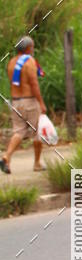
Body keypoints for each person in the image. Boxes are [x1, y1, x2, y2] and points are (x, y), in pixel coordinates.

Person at [1, 36, 47, 174]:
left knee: (18, 132)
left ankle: (6, 157)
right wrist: (41, 103)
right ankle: (37, 163)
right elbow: (34, 84)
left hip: (16, 102)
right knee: (37, 132)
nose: (33, 49)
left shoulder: (11, 62)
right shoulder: (30, 62)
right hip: (30, 102)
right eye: (32, 47)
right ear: (28, 48)